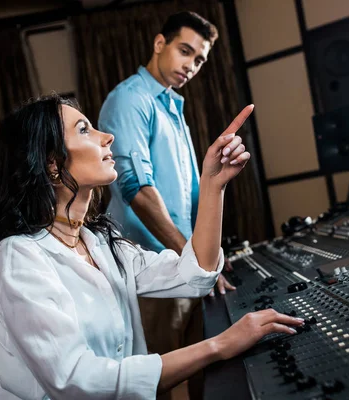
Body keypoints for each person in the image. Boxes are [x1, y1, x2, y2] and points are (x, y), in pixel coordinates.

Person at [0, 95, 303, 399]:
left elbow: (194, 275)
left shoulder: (97, 242)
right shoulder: (17, 258)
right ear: (52, 163)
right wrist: (219, 346)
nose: (107, 137)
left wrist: (213, 185)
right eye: (84, 131)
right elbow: (76, 382)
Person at [98, 12, 235, 397]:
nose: (191, 65)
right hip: (150, 268)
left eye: (199, 60)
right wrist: (191, 254)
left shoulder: (172, 105)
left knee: (199, 374)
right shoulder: (129, 99)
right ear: (160, 44)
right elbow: (136, 189)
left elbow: (188, 195)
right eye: (185, 51)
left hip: (182, 264)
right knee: (152, 384)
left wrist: (202, 255)